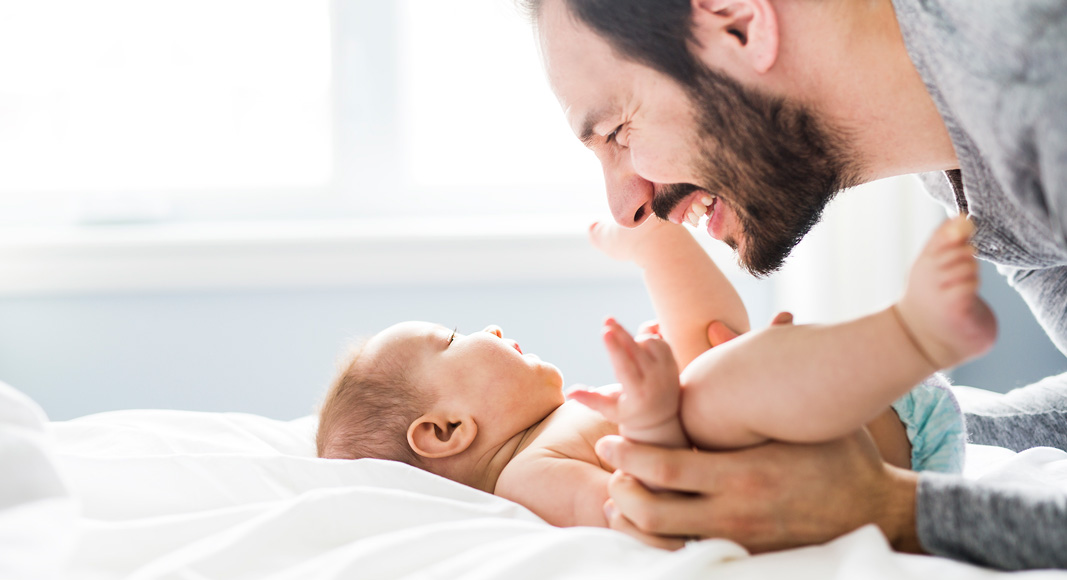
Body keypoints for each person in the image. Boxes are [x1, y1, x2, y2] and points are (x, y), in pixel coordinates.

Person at [520, 0, 1067, 570]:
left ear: (740, 23)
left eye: (617, 131)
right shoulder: (976, 172)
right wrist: (866, 431)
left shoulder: (1042, 75)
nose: (624, 206)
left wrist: (892, 507)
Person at [315, 215, 987, 528]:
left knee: (707, 361)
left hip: (861, 426)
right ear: (444, 431)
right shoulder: (528, 481)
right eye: (453, 337)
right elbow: (642, 512)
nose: (488, 329)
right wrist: (656, 415)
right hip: (878, 451)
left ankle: (658, 247)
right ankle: (911, 333)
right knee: (709, 388)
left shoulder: (548, 429)